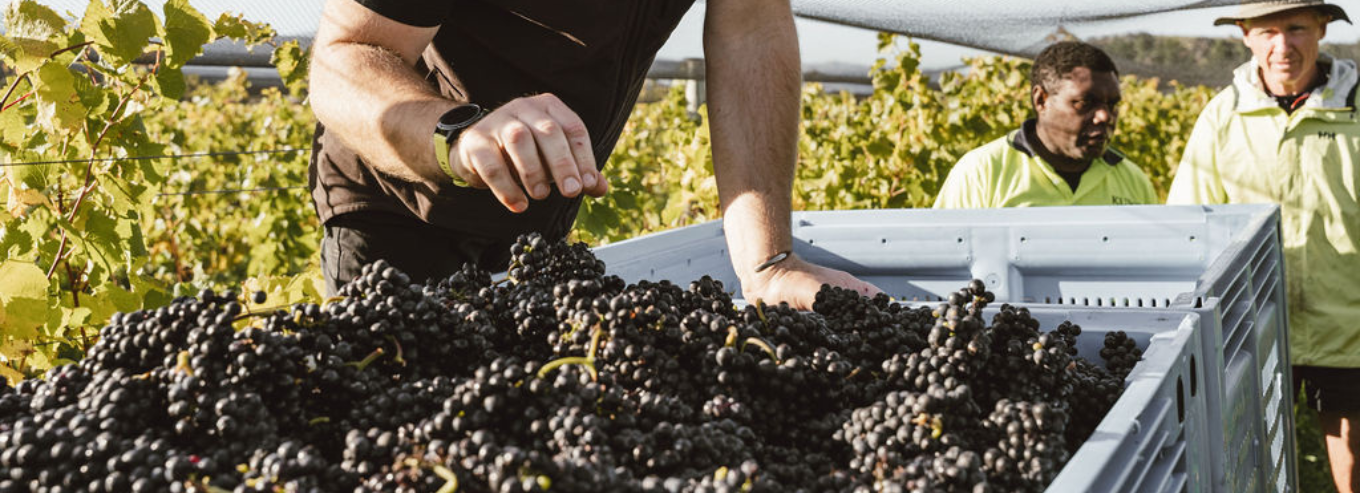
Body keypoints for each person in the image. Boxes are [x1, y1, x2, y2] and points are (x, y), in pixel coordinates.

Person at [305, 0, 880, 309]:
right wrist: (456, 132)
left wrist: (768, 263)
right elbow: (347, 55)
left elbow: (750, 29)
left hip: (535, 226)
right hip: (398, 210)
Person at [1165, 1, 1358, 491]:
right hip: (1250, 328)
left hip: (1350, 330)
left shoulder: (1354, 107)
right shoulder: (1222, 117)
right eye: (1267, 32)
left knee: (1353, 469)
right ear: (1246, 37)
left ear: (1321, 29)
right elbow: (1188, 222)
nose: (1282, 46)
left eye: (1296, 29)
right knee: (1250, 465)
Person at [933, 41, 1158, 209]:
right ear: (1041, 100)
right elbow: (943, 261)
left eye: (1112, 104)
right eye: (1084, 102)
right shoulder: (983, 172)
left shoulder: (1133, 182)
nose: (1104, 116)